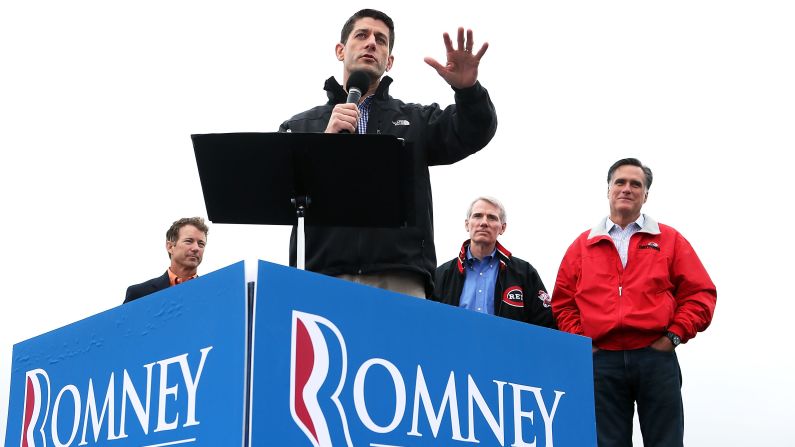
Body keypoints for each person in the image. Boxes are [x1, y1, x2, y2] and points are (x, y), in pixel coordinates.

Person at [280, 9, 497, 298]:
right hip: (321, 276)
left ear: (390, 61)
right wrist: (323, 145)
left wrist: (468, 91)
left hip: (399, 278)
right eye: (362, 35)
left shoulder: (417, 120)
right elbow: (278, 195)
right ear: (340, 50)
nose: (372, 43)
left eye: (381, 40)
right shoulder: (300, 126)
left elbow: (474, 131)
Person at [552, 158, 717, 447]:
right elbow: (563, 303)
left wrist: (675, 334)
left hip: (656, 357)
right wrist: (581, 340)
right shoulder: (582, 246)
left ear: (645, 195)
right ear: (608, 190)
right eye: (620, 182)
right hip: (602, 362)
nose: (627, 189)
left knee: (665, 442)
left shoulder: (669, 239)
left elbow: (700, 293)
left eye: (635, 184)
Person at [433, 197, 554, 328]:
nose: (484, 222)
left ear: (502, 228)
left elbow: (546, 324)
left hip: (505, 348)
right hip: (455, 347)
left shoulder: (525, 274)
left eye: (492, 217)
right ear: (467, 224)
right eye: (478, 216)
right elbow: (429, 322)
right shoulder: (442, 275)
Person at [124, 217, 209, 304]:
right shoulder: (139, 294)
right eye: (189, 241)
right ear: (170, 247)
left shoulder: (212, 292)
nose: (196, 248)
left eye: (201, 244)